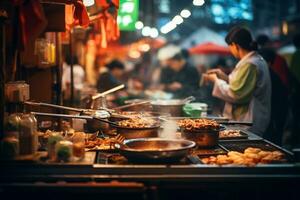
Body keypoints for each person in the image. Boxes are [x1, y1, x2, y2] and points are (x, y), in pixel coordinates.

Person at [203, 26, 271, 136]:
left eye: (230, 46)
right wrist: (223, 76)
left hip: (248, 121)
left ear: (235, 45)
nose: (230, 50)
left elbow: (236, 93)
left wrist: (215, 80)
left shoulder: (250, 64)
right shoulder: (252, 60)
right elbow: (240, 84)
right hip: (247, 120)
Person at [259, 50, 288, 145]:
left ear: (269, 63)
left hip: (275, 114)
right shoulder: (269, 74)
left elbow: (279, 101)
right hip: (273, 113)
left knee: (273, 141)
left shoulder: (272, 76)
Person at [289, 33, 300, 148]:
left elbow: (293, 75)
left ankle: (295, 142)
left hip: (297, 92)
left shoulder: (296, 54)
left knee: (296, 118)